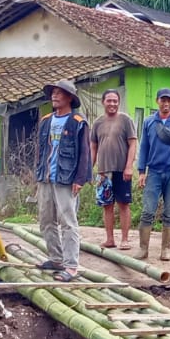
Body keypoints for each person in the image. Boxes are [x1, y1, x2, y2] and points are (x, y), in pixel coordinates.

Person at [35, 80, 92, 281]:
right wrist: (38, 174)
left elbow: (85, 153)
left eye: (59, 93)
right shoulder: (46, 121)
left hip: (66, 179)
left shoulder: (78, 122)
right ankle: (56, 258)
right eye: (53, 93)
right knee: (45, 220)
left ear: (70, 98)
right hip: (46, 178)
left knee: (68, 222)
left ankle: (71, 266)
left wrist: (80, 179)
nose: (55, 96)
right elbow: (41, 150)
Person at [135, 88, 170, 262]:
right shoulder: (149, 122)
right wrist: (141, 172)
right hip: (153, 172)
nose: (165, 103)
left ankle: (165, 250)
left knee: (169, 213)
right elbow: (144, 147)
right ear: (157, 101)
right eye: (162, 100)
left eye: (169, 100)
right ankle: (143, 249)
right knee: (147, 211)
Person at [91, 89, 138, 249]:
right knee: (107, 205)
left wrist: (129, 166)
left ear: (118, 102)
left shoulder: (126, 120)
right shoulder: (97, 122)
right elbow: (93, 147)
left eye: (115, 101)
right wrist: (89, 169)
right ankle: (110, 239)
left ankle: (125, 239)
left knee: (124, 204)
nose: (112, 104)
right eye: (109, 100)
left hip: (122, 170)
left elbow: (133, 143)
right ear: (103, 102)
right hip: (103, 172)